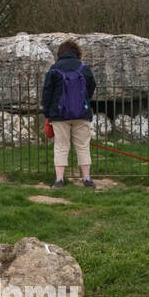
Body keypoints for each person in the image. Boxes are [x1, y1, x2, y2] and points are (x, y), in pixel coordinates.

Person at [41, 39, 96, 188]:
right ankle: (86, 179)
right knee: (83, 146)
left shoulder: (54, 69)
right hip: (81, 113)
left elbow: (47, 93)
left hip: (59, 115)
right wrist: (85, 101)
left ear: (60, 53)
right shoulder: (84, 68)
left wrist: (47, 113)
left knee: (61, 146)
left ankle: (59, 180)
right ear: (76, 52)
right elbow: (91, 87)